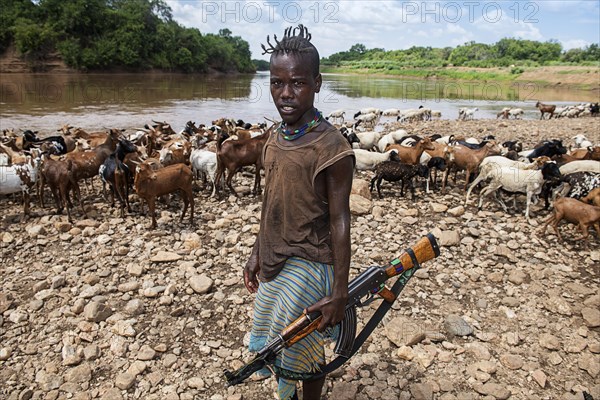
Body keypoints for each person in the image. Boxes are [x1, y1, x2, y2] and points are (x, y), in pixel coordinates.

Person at [243, 25, 355, 400]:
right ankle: (286, 391)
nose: (286, 94)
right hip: (275, 254)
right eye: (277, 83)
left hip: (311, 259)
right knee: (276, 338)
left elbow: (340, 220)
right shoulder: (275, 137)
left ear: (317, 83)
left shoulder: (331, 147)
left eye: (298, 83)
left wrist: (340, 291)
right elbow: (271, 201)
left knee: (301, 346)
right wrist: (258, 249)